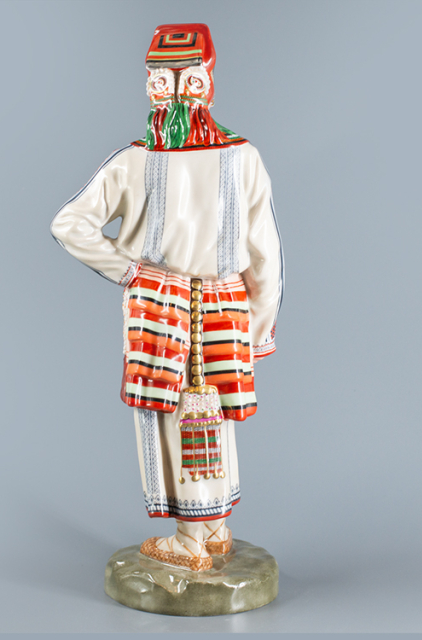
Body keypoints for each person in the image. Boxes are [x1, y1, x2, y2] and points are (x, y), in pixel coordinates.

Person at [50, 23, 283, 572]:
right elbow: (265, 256)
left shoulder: (135, 161)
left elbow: (69, 223)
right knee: (212, 416)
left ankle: (190, 540)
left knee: (174, 419)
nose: (174, 93)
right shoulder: (243, 156)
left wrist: (130, 272)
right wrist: (258, 325)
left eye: (180, 80)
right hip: (225, 310)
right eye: (164, 81)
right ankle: (215, 529)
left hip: (161, 306)